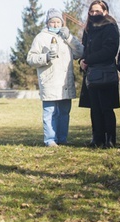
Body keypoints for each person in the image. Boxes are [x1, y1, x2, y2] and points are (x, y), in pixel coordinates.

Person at [27, 8, 83, 146]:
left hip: (65, 82)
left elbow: (81, 51)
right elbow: (31, 58)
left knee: (64, 112)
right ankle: (50, 139)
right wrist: (45, 57)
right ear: (47, 23)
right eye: (53, 22)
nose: (56, 25)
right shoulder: (41, 37)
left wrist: (69, 37)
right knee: (50, 112)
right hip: (50, 80)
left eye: (58, 22)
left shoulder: (66, 37)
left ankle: (62, 138)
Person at [78, 0, 120, 147]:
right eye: (92, 11)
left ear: (105, 11)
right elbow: (85, 49)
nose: (94, 14)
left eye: (97, 11)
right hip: (91, 73)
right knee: (94, 107)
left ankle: (110, 139)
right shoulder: (88, 29)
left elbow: (109, 50)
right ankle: (97, 138)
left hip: (105, 71)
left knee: (106, 108)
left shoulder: (110, 27)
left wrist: (88, 60)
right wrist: (82, 61)